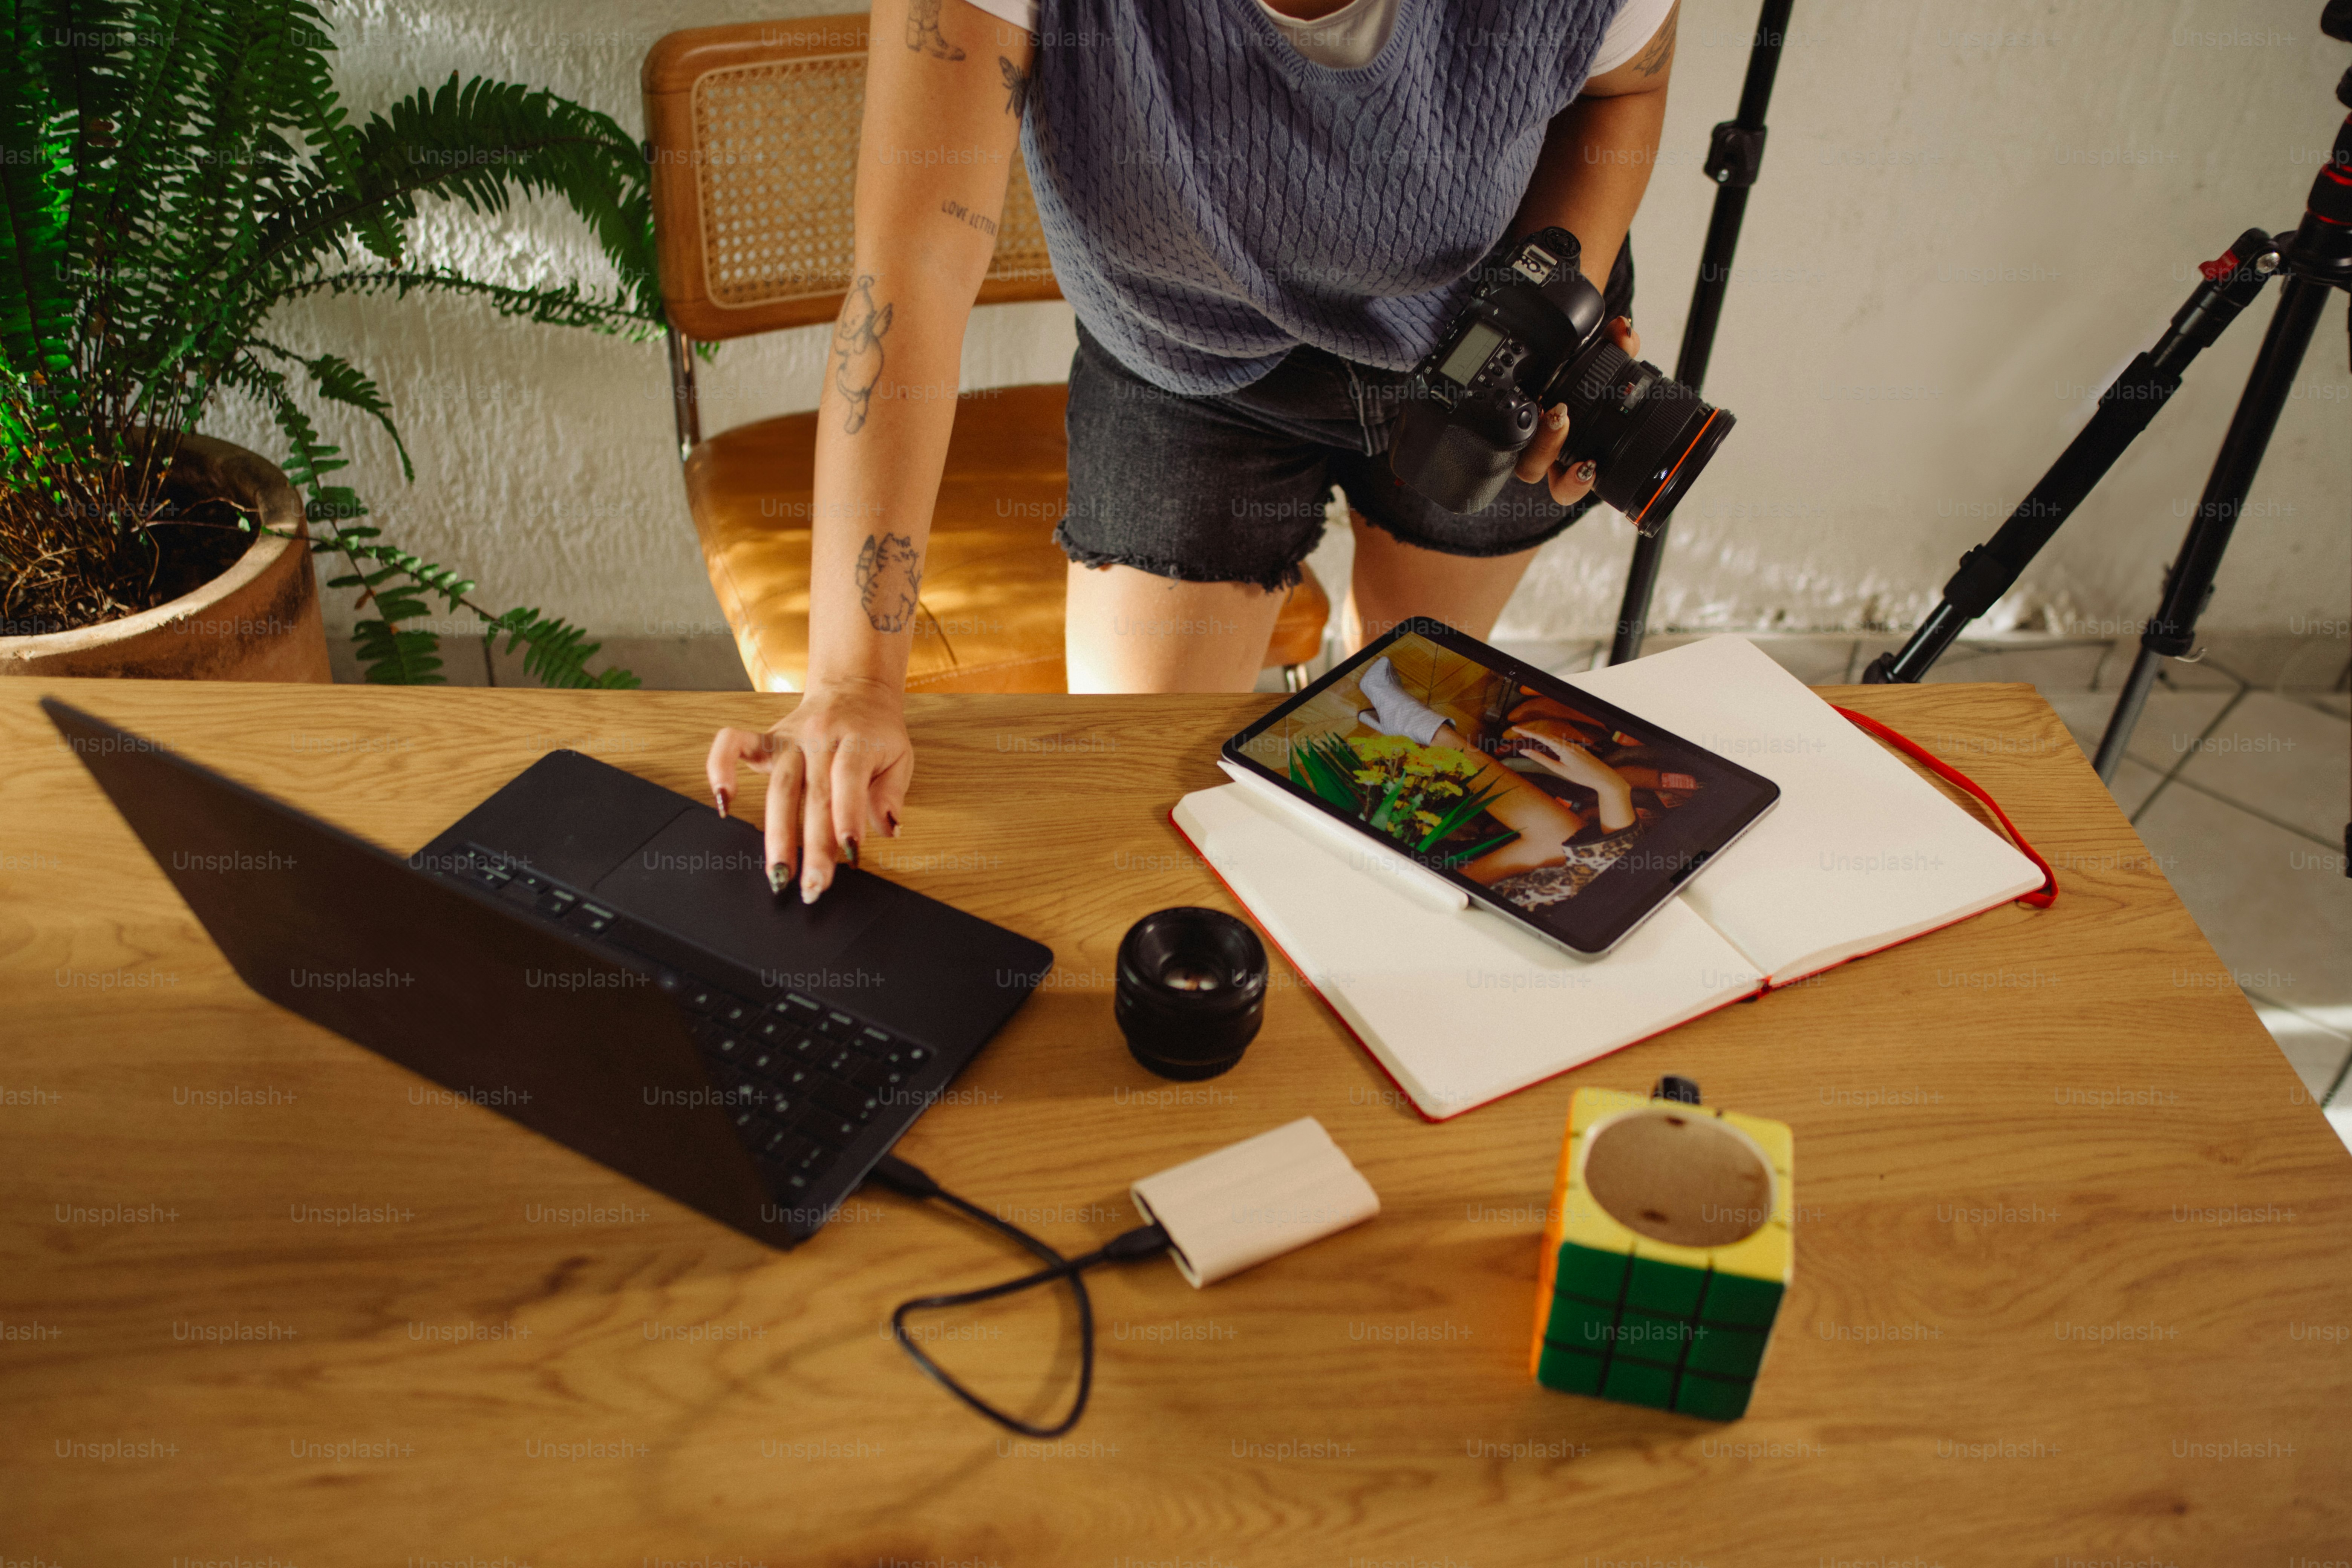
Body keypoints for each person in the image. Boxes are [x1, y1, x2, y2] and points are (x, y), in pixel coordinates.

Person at [707, 0, 1684, 903]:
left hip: (1482, 349)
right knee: (1136, 803)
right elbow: (914, 267)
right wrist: (854, 683)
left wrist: (1554, 301)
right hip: (1182, 360)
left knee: (1415, 745)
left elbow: (1624, 89)